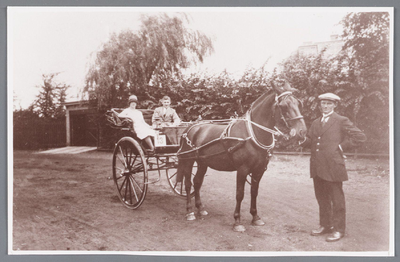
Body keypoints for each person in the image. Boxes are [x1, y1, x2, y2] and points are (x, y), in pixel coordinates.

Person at [300, 93, 366, 242]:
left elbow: (360, 137)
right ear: (319, 105)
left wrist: (341, 148)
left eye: (329, 103)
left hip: (333, 166)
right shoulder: (316, 122)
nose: (325, 106)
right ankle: (326, 225)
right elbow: (311, 141)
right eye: (323, 103)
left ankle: (338, 230)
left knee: (337, 200)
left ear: (335, 105)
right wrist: (300, 139)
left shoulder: (341, 120)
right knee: (322, 198)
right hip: (317, 167)